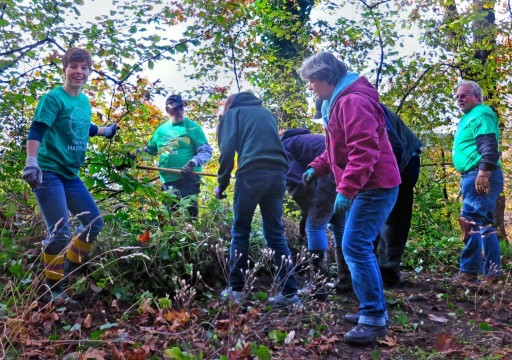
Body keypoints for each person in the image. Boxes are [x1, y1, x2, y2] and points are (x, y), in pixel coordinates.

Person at [298, 51, 400, 344]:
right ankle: (371, 307)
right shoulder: (338, 101)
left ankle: (373, 317)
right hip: (369, 185)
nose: (311, 87)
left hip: (376, 185)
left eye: (312, 81)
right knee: (357, 245)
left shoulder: (352, 101)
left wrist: (346, 189)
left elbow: (364, 150)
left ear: (326, 77)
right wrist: (317, 167)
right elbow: (337, 151)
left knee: (354, 246)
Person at [22, 48, 118, 303]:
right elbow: (37, 129)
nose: (79, 72)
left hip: (70, 175)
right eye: (74, 67)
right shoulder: (54, 98)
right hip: (48, 172)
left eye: (84, 68)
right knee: (60, 233)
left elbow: (82, 125)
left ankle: (70, 269)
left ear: (89, 72)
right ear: (65, 69)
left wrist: (105, 131)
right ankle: (52, 291)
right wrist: (32, 161)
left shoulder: (83, 101)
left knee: (94, 223)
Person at [216, 92, 301, 309]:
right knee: (275, 232)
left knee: (241, 229)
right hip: (279, 173)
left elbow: (226, 152)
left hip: (252, 173)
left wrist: (222, 183)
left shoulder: (233, 114)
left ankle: (236, 290)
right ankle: (290, 292)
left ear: (229, 104)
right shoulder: (267, 114)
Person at [280, 126, 348, 296]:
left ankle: (318, 286)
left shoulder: (284, 146)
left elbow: (296, 181)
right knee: (339, 226)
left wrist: (306, 212)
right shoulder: (305, 139)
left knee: (314, 226)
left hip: (329, 172)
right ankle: (346, 281)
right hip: (345, 170)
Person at [452, 80, 503, 282]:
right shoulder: (470, 117)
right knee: (483, 224)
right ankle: (493, 273)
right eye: (457, 96)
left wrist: (483, 174)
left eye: (463, 95)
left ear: (476, 97)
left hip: (479, 174)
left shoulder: (481, 113)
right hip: (474, 174)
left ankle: (468, 272)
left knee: (470, 220)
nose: (459, 99)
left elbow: (489, 145)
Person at [375, 104, 422, 286]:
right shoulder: (349, 106)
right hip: (395, 158)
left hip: (405, 161)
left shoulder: (361, 106)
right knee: (376, 216)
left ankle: (388, 275)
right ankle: (374, 270)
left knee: (394, 219)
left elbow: (395, 148)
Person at [145, 94, 213, 219]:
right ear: (167, 110)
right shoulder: (160, 131)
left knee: (188, 214)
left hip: (188, 177)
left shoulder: (192, 127)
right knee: (170, 216)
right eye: (175, 108)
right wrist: (131, 156)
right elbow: (149, 150)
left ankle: (192, 236)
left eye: (181, 107)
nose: (179, 111)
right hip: (167, 180)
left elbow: (206, 151)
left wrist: (193, 162)